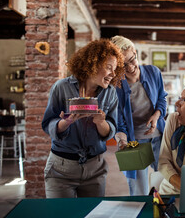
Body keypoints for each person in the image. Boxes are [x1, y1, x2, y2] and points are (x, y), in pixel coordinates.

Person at [42, 39, 125, 198]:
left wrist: (101, 122)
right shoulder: (61, 87)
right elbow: (48, 124)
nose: (113, 74)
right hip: (61, 169)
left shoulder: (110, 93)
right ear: (92, 63)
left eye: (115, 69)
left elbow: (111, 129)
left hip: (96, 169)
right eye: (109, 67)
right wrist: (65, 122)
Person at [111, 35, 168, 196]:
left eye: (132, 60)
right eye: (122, 65)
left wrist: (156, 116)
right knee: (139, 192)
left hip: (159, 137)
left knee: (164, 186)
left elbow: (162, 99)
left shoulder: (153, 72)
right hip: (134, 142)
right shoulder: (116, 88)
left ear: (135, 52)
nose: (130, 68)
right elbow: (119, 122)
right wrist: (121, 139)